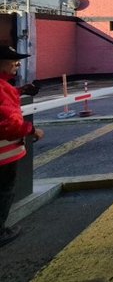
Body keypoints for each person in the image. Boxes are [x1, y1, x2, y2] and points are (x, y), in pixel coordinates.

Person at [0, 46, 44, 248]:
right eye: (13, 60)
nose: (17, 64)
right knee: (4, 190)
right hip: (4, 156)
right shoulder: (3, 88)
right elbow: (9, 124)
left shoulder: (5, 86)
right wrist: (32, 130)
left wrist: (21, 90)